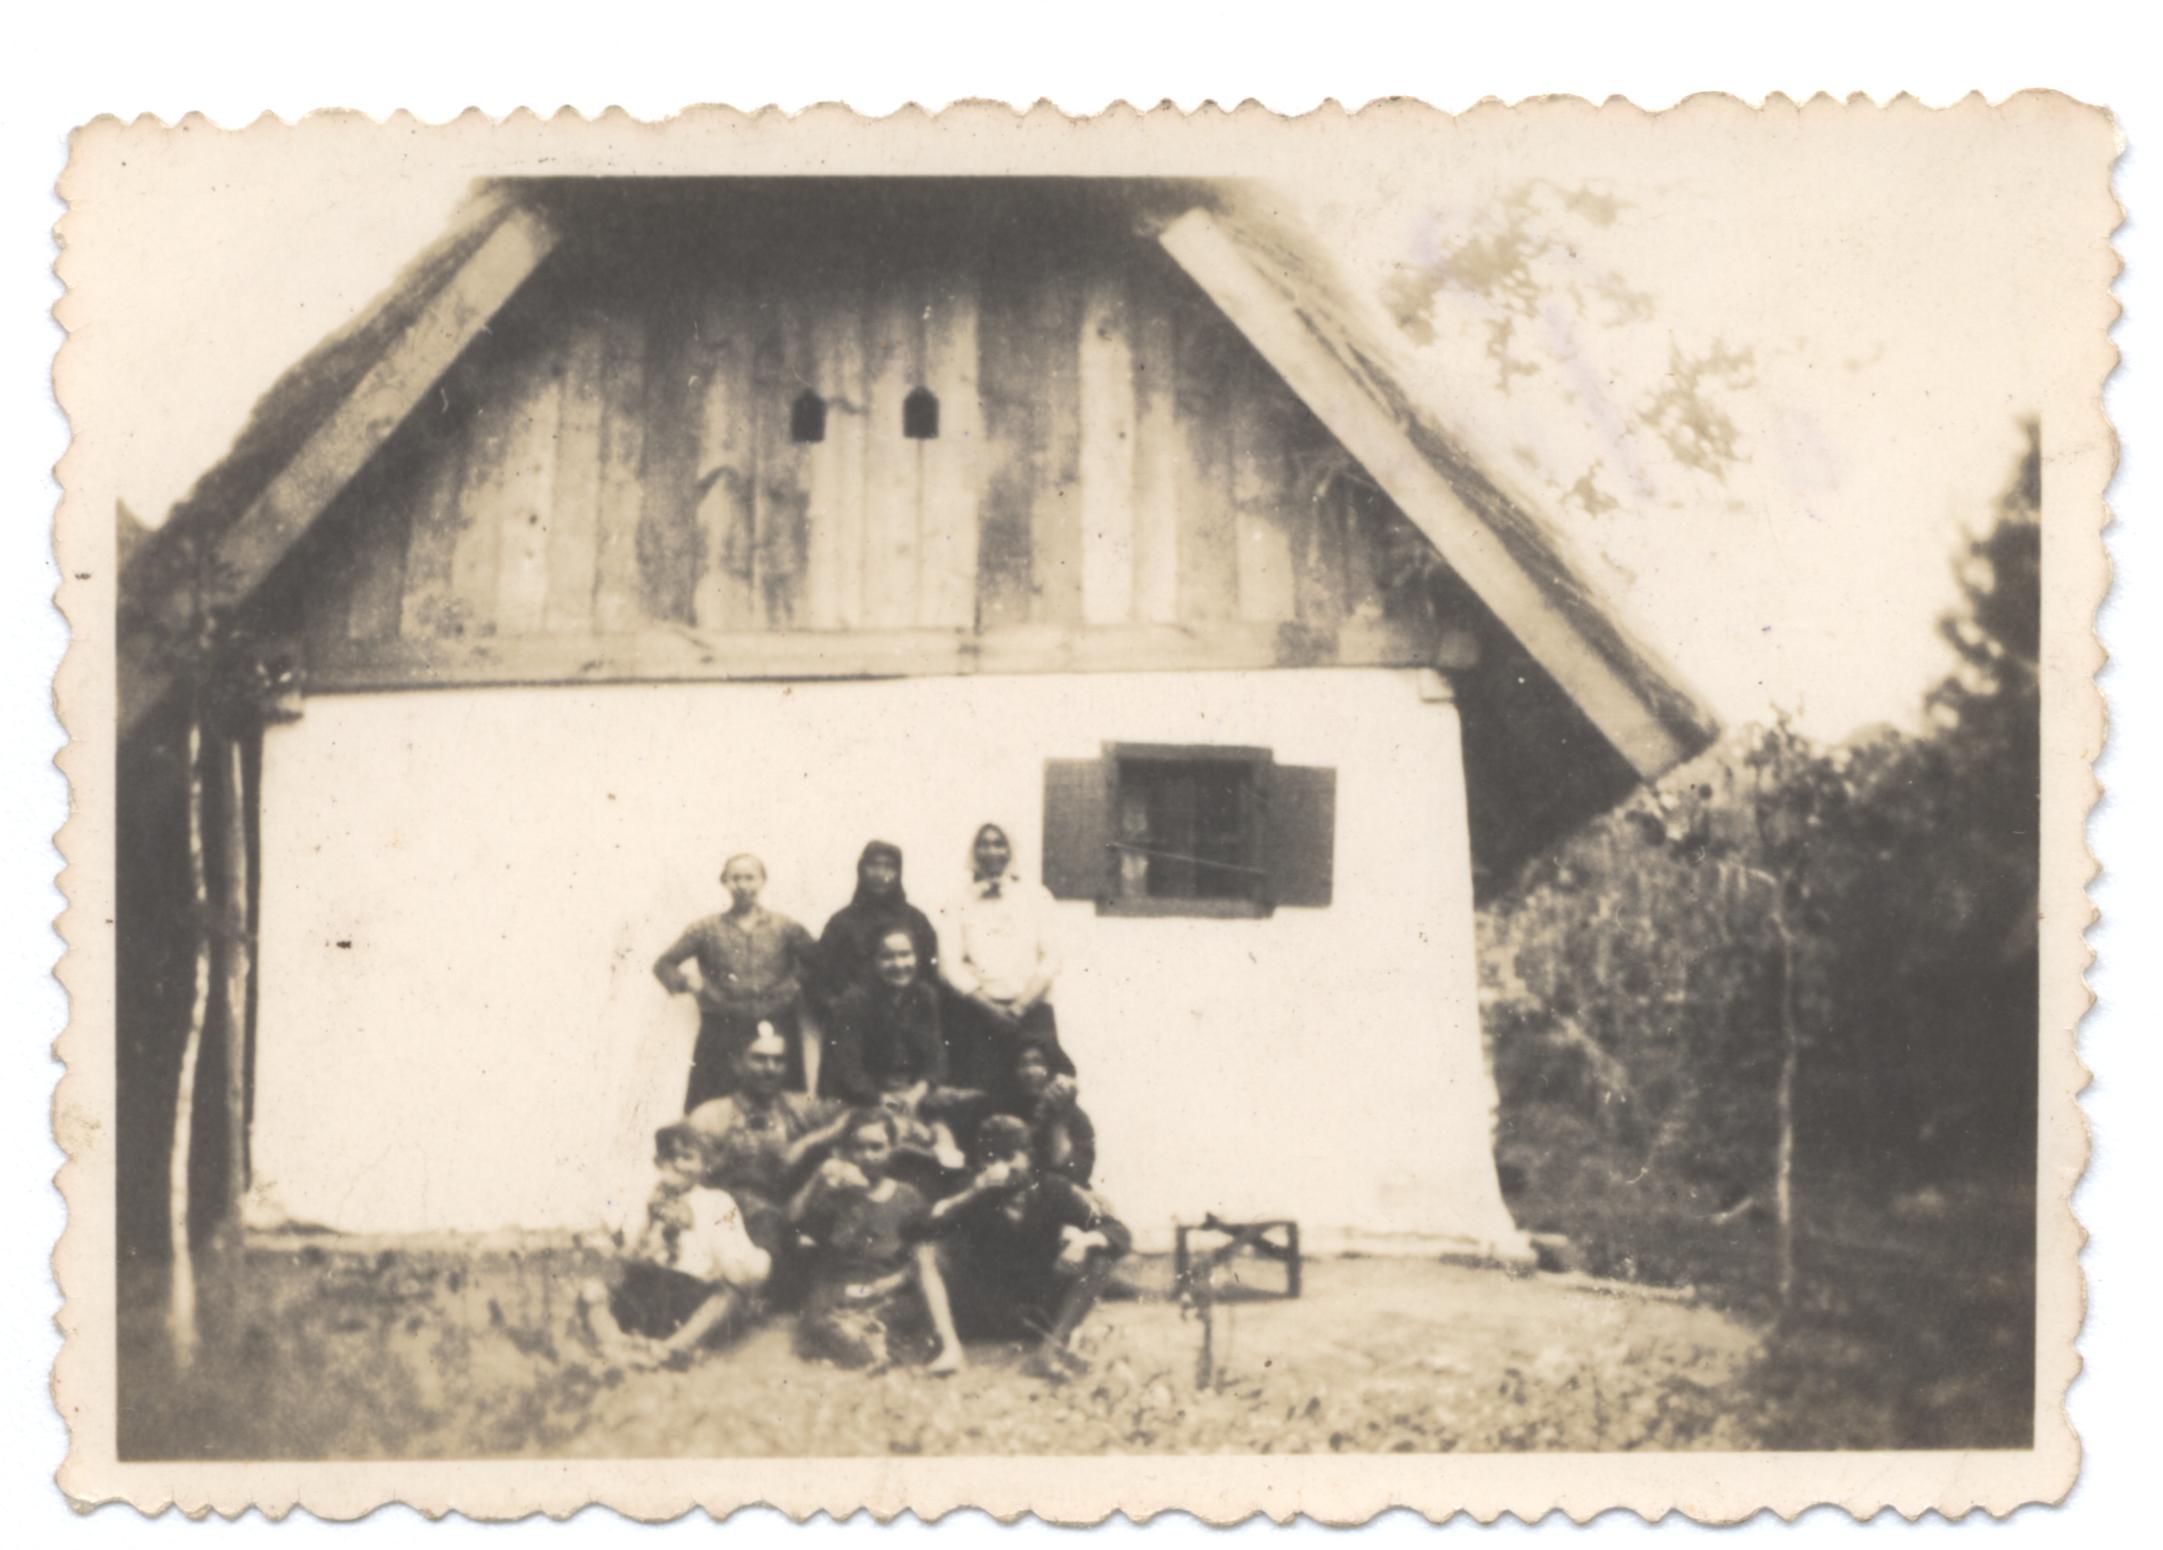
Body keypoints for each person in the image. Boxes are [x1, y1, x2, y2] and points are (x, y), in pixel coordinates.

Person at [922, 1114, 1130, 1379]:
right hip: (985, 1305)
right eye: (990, 1157)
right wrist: (972, 1193)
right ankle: (950, 1349)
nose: (1000, 1166)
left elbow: (1117, 1231)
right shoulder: (973, 1190)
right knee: (925, 1251)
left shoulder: (1053, 1189)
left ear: (1028, 1157)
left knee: (1100, 1255)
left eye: (1009, 1156)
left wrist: (1084, 1240)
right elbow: (919, 1229)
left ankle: (1051, 1350)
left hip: (1038, 1304)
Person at [578, 1121, 771, 1369]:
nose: (678, 1164)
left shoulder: (717, 1202)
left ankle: (672, 1349)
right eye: (670, 1157)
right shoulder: (648, 1197)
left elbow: (736, 1261)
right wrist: (648, 1226)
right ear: (658, 1162)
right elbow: (629, 1257)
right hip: (651, 1287)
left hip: (692, 1292)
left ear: (704, 1165)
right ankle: (617, 1343)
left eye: (687, 1157)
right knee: (592, 1288)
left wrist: (693, 1226)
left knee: (728, 1296)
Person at [683, 1027, 852, 1307]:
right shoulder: (711, 1115)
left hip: (791, 1212)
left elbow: (852, 1115)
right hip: (730, 1217)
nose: (770, 1069)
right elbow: (689, 1174)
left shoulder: (799, 1105)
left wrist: (806, 1143)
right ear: (738, 1063)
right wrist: (727, 1160)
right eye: (759, 1059)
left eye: (778, 1060)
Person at [788, 1107, 962, 1374]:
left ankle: (926, 1347)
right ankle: (871, 1348)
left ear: (892, 1149)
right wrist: (818, 1179)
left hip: (889, 1289)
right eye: (859, 1148)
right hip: (846, 1290)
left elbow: (927, 1257)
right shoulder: (837, 1194)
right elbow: (793, 1219)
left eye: (876, 1147)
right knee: (833, 1323)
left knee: (898, 1315)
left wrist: (894, 1282)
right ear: (847, 1152)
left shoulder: (907, 1196)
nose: (867, 1156)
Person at [654, 854, 820, 1105]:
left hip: (776, 1022)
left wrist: (795, 985)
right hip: (722, 1027)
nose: (742, 885)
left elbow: (819, 962)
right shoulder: (706, 929)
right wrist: (687, 983)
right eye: (735, 878)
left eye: (750, 878)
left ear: (762, 881)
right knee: (713, 1101)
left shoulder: (785, 927)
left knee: (783, 1101)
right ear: (724, 882)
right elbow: (664, 964)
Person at [936, 823, 1074, 1095]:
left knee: (1038, 1092)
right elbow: (948, 964)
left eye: (999, 844)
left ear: (1010, 850)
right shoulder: (958, 901)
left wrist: (1020, 1007)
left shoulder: (1037, 897)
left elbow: (1051, 958)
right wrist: (989, 1007)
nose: (991, 852)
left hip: (1030, 1011)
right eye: (984, 844)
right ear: (974, 851)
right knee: (981, 1091)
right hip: (979, 1014)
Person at [814, 841, 940, 1007]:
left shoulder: (916, 920)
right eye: (873, 865)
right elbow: (821, 979)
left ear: (899, 872)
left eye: (889, 866)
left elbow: (929, 975)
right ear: (861, 870)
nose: (880, 873)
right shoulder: (841, 922)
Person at [1012, 1040, 1096, 1186]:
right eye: (1023, 1064)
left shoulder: (1076, 1118)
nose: (1030, 1072)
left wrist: (1058, 1120)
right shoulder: (1010, 1112)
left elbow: (1075, 1173)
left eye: (1038, 1062)